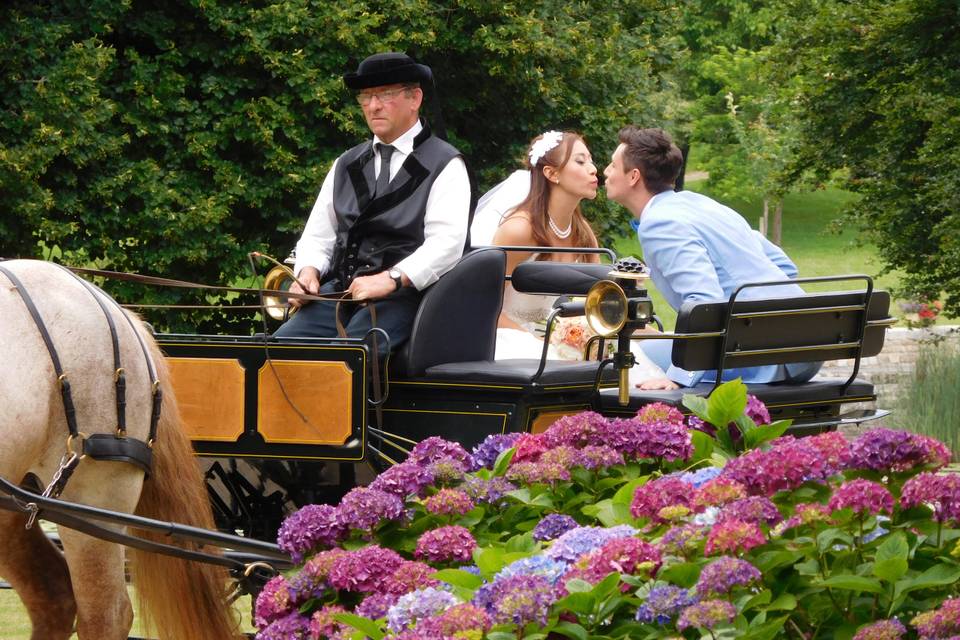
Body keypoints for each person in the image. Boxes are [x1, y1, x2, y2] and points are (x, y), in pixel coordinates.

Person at [274, 52, 472, 351]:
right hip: (342, 291)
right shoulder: (346, 163)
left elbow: (447, 244)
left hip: (406, 296)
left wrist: (392, 278)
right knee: (275, 353)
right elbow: (318, 234)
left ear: (414, 98)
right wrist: (308, 272)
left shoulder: (446, 163)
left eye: (385, 95)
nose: (373, 106)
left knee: (353, 357)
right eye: (365, 97)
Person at [603, 126, 822, 390]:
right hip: (806, 348)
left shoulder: (660, 223)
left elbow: (705, 302)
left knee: (626, 357)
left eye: (613, 165)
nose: (605, 171)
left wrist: (678, 378)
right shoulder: (701, 204)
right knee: (651, 346)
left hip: (764, 357)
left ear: (633, 177)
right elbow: (785, 266)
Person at [472, 132, 664, 383]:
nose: (594, 169)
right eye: (580, 162)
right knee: (564, 364)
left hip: (549, 336)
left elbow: (599, 307)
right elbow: (485, 309)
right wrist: (541, 342)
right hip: (506, 336)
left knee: (632, 360)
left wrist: (656, 337)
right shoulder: (519, 230)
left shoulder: (582, 234)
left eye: (591, 160)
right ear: (552, 174)